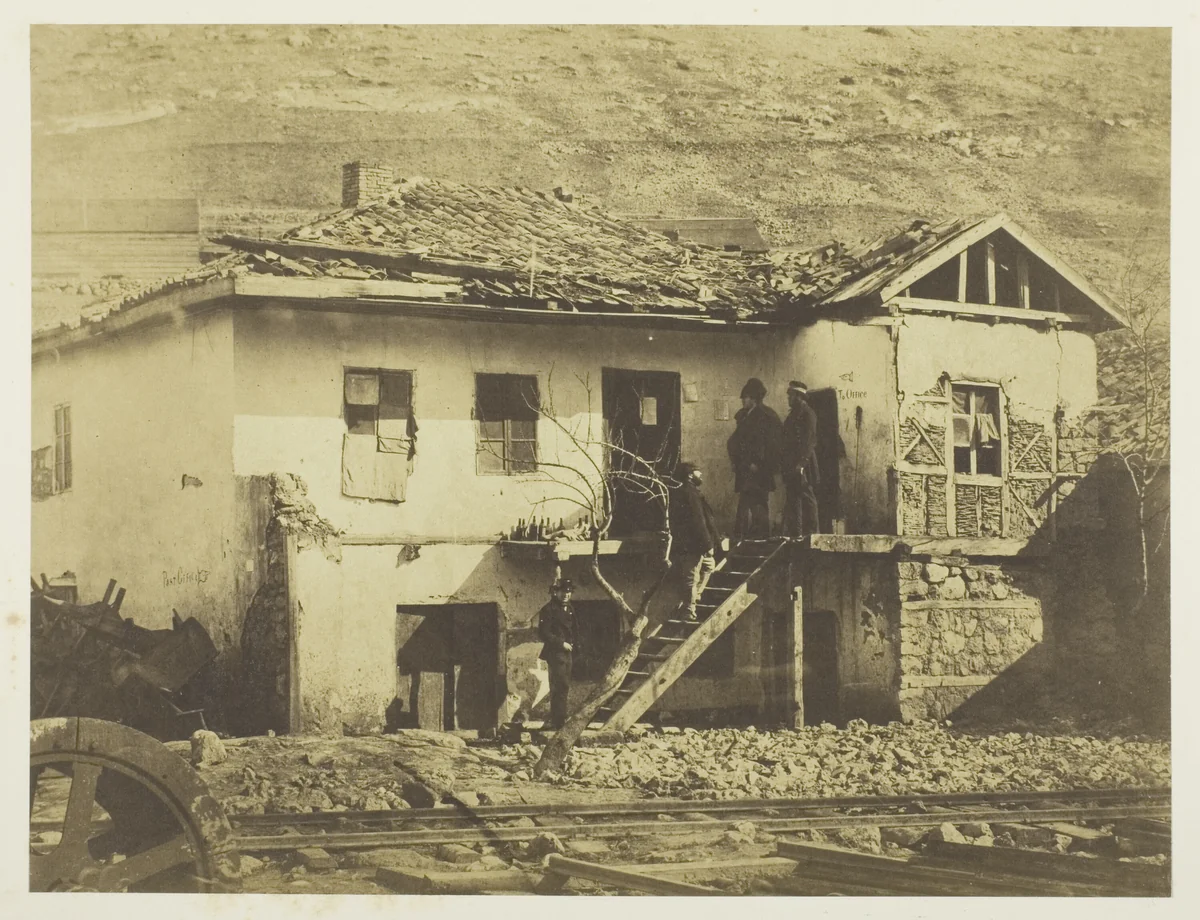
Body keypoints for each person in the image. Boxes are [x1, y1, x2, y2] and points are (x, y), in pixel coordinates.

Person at [726, 377, 783, 540]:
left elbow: (772, 445)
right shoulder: (744, 416)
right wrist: (735, 461)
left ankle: (759, 540)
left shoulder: (767, 417)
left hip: (759, 471)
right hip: (745, 468)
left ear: (754, 399)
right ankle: (744, 538)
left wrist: (758, 464)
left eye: (746, 397)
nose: (743, 400)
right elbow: (734, 441)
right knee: (746, 503)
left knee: (757, 504)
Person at [673, 462, 722, 622]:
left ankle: (695, 597)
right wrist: (707, 544)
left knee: (708, 566)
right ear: (690, 475)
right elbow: (698, 521)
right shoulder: (689, 493)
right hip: (692, 545)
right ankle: (689, 610)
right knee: (691, 577)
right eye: (697, 471)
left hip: (694, 544)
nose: (701, 474)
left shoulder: (690, 492)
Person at [537, 579, 578, 730]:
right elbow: (544, 632)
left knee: (564, 686)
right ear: (556, 592)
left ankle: (561, 719)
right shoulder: (549, 609)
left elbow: (574, 629)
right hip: (556, 653)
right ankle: (558, 722)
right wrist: (561, 643)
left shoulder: (570, 608)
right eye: (563, 591)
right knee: (559, 686)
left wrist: (574, 644)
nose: (566, 594)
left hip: (568, 653)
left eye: (568, 592)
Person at [781, 380, 821, 537]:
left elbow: (809, 441)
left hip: (803, 463)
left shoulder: (808, 414)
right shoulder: (792, 415)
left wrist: (802, 464)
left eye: (790, 395)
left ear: (798, 396)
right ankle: (796, 533)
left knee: (807, 496)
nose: (788, 398)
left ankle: (813, 533)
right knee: (794, 498)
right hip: (791, 464)